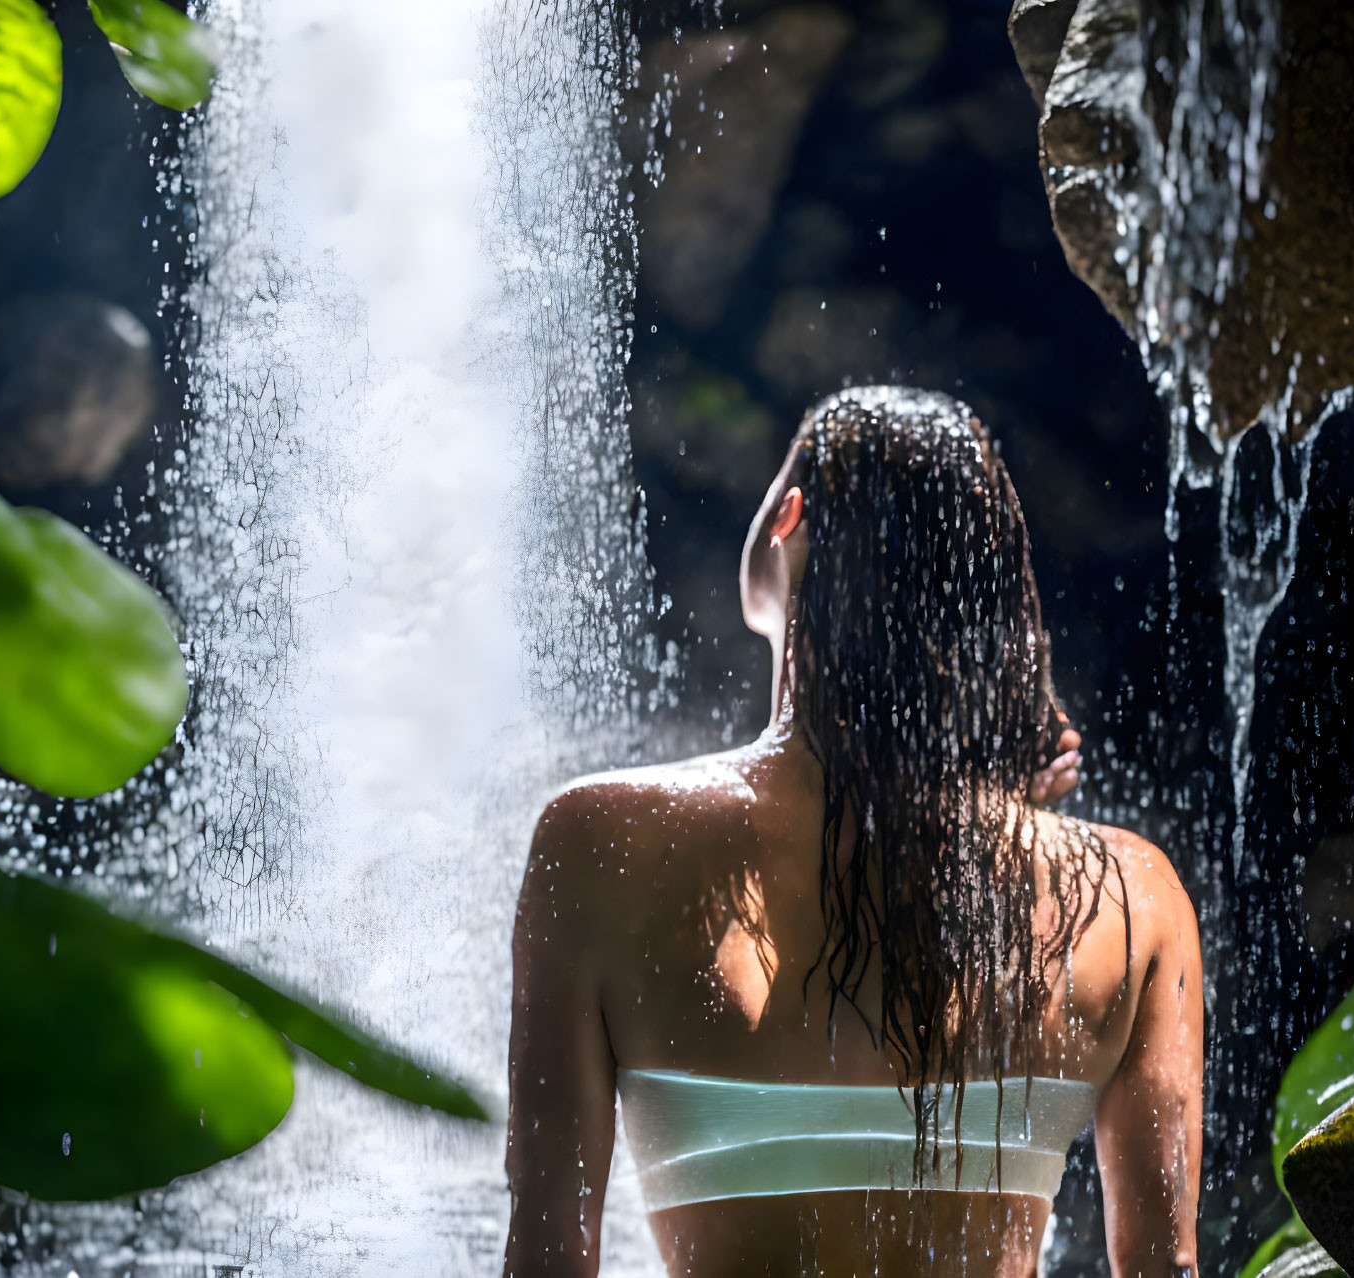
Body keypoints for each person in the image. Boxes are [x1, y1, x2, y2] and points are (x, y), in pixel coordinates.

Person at [503, 387, 1202, 1278]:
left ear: (788, 516)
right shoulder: (1133, 893)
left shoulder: (597, 840)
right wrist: (1003, 811)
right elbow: (1160, 1270)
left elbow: (548, 1254)